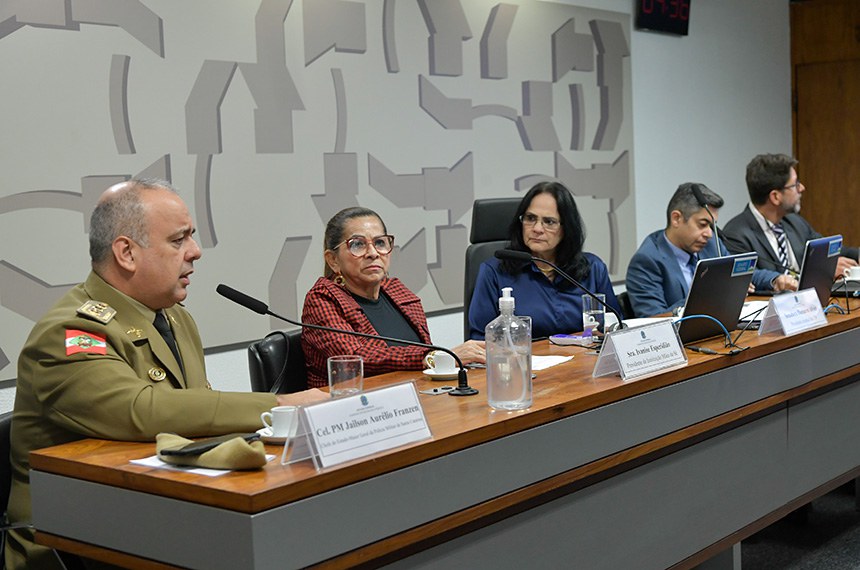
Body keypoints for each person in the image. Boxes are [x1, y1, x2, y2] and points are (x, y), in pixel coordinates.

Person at [6, 179, 325, 570]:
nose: (196, 252)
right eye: (179, 240)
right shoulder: (70, 332)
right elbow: (141, 409)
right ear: (126, 253)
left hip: (162, 520)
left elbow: (194, 419)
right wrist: (280, 404)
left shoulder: (174, 318)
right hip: (75, 549)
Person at [301, 207, 485, 388]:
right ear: (333, 259)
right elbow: (357, 359)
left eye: (380, 243)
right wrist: (438, 357)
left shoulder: (397, 291)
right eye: (357, 244)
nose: (373, 253)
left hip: (414, 400)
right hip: (352, 409)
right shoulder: (322, 299)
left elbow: (422, 361)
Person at [467, 181, 621, 339]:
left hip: (585, 361)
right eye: (530, 218)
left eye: (549, 222)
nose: (537, 229)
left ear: (566, 228)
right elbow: (480, 340)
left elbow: (617, 328)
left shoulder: (593, 269)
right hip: (523, 362)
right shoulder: (495, 272)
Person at [626, 183, 796, 318]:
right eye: (702, 224)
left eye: (712, 226)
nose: (709, 233)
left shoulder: (711, 245)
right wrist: (711, 297)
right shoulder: (646, 261)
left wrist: (775, 279)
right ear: (676, 218)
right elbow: (652, 318)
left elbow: (743, 273)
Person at [722, 153, 859, 280]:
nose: (802, 188)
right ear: (775, 197)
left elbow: (829, 250)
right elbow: (751, 281)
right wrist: (821, 271)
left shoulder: (794, 222)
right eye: (795, 185)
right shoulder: (736, 236)